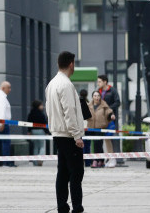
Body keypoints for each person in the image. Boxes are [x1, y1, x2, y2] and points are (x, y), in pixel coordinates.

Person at [46, 51, 85, 213]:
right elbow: (69, 111)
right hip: (69, 135)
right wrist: (77, 136)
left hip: (57, 133)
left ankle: (62, 206)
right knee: (76, 172)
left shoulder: (51, 84)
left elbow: (49, 110)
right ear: (71, 64)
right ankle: (77, 207)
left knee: (62, 172)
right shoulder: (66, 85)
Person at [96, 74, 122, 165]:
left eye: (99, 82)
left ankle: (112, 158)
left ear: (105, 82)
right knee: (101, 139)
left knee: (108, 137)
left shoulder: (112, 91)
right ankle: (104, 159)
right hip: (100, 119)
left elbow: (118, 102)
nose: (98, 83)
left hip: (110, 118)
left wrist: (108, 109)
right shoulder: (98, 91)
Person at [86, 90, 113, 168]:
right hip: (91, 127)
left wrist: (111, 116)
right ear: (92, 97)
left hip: (100, 128)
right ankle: (101, 160)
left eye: (98, 96)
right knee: (96, 145)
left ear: (100, 97)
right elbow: (84, 114)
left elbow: (109, 112)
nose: (96, 97)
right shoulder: (89, 105)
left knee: (97, 143)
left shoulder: (104, 105)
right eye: (95, 96)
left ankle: (95, 160)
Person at [26, 100, 47, 165]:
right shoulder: (41, 114)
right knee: (42, 146)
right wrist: (46, 132)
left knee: (35, 147)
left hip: (33, 131)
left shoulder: (30, 114)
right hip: (41, 131)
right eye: (41, 105)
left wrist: (29, 131)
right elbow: (44, 123)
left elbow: (28, 123)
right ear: (38, 106)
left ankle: (35, 162)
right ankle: (40, 158)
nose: (42, 106)